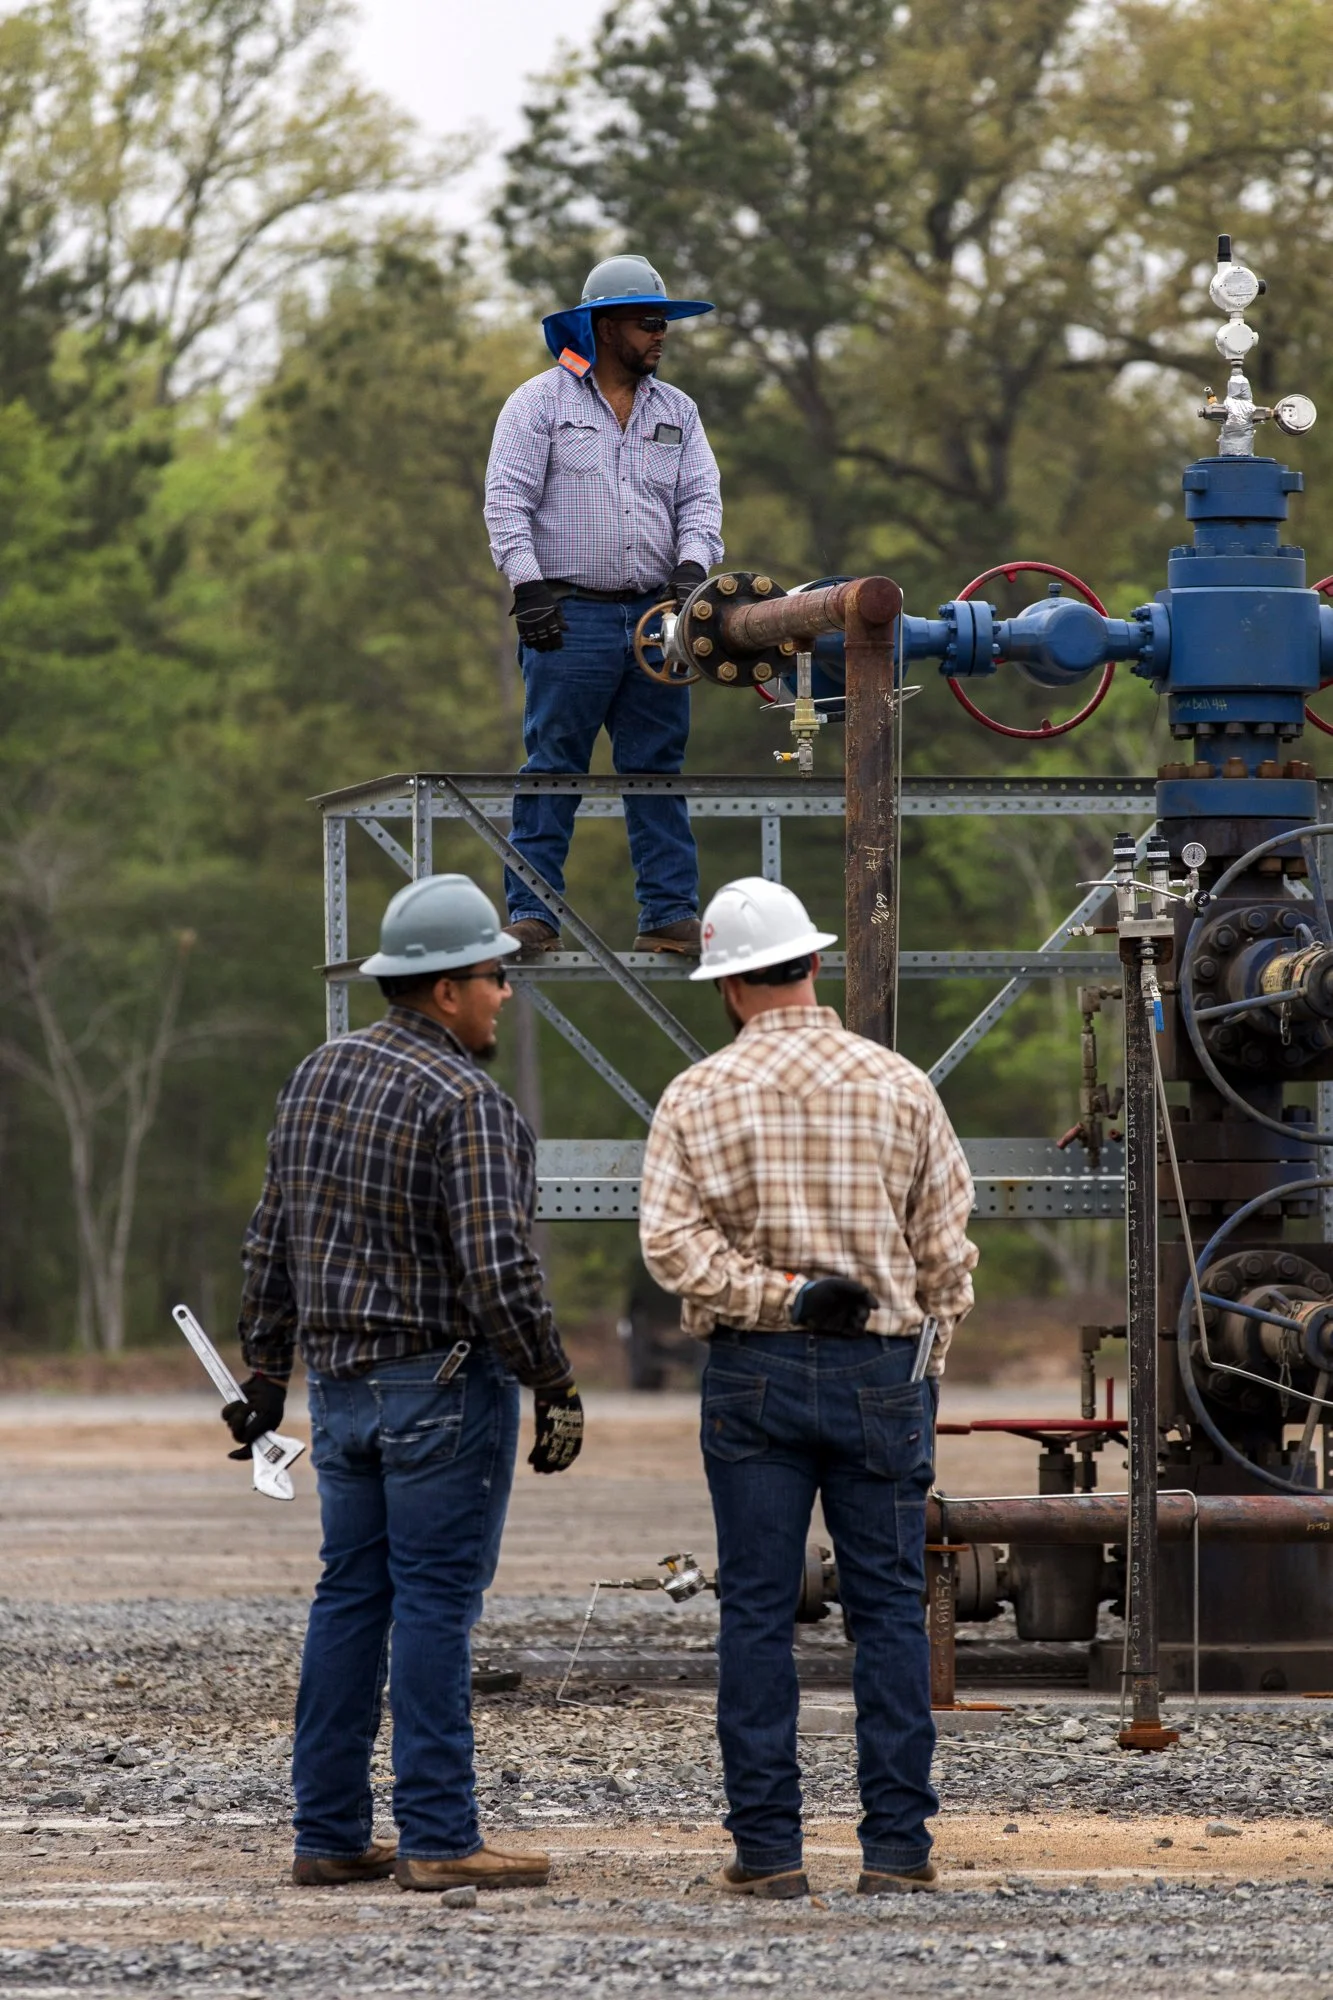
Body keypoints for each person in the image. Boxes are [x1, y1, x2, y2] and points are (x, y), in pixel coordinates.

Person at [224, 873, 584, 1894]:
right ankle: (438, 1833)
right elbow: (499, 1269)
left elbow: (271, 1236)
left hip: (339, 1393)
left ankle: (329, 1830)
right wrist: (553, 1380)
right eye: (492, 977)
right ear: (442, 990)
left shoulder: (315, 1074)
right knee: (434, 1603)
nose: (505, 993)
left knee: (350, 1598)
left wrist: (264, 1367)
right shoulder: (466, 1100)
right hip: (440, 1385)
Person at [638, 878, 978, 1900]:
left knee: (753, 1610)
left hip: (752, 1372)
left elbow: (670, 1245)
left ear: (729, 986)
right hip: (884, 1370)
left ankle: (770, 1853)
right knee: (886, 1609)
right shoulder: (899, 1082)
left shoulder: (694, 1094)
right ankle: (896, 1849)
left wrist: (780, 1298)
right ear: (812, 964)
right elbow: (946, 1251)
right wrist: (923, 1357)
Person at [484, 252, 724, 958]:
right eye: (649, 322)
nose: (660, 335)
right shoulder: (538, 405)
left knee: (656, 762)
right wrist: (527, 587)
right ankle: (532, 914)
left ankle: (668, 914)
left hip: (658, 617)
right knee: (554, 760)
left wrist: (689, 572)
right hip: (569, 615)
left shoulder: (677, 411)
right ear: (604, 325)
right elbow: (506, 502)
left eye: (664, 324)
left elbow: (701, 501)